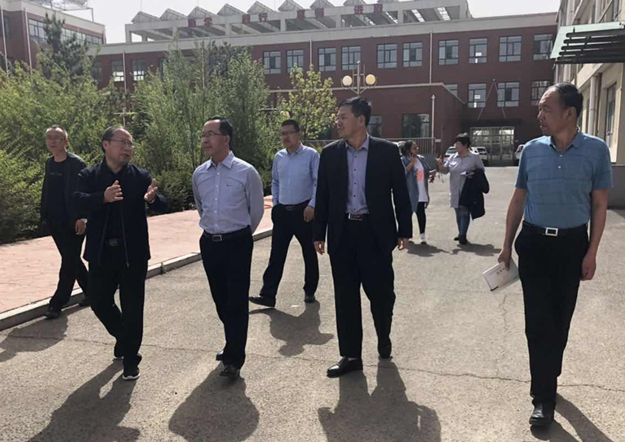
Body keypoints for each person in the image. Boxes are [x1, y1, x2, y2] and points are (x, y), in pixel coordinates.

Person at [498, 83, 612, 427]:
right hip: (534, 244)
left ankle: (550, 370)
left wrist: (592, 252)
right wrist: (506, 244)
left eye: (546, 109)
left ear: (570, 113)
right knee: (537, 323)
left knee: (560, 320)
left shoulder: (596, 150)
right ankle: (543, 398)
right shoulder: (531, 151)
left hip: (571, 246)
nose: (540, 115)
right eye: (540, 109)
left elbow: (599, 204)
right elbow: (518, 198)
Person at [314, 97, 412, 378]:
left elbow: (400, 193)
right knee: (345, 297)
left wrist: (404, 229)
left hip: (375, 233)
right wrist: (319, 232)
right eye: (338, 117)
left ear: (360, 120)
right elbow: (323, 195)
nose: (338, 121)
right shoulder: (330, 153)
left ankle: (383, 336)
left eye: (343, 116)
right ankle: (351, 355)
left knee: (382, 295)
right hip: (342, 233)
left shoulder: (386, 151)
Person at [74, 126, 167, 381]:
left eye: (130, 144)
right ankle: (125, 339)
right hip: (101, 253)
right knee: (99, 302)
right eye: (122, 142)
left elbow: (163, 203)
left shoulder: (140, 176)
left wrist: (153, 199)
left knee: (133, 307)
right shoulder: (89, 175)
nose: (127, 148)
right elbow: (77, 200)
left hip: (132, 254)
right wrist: (102, 198)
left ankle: (130, 359)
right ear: (106, 144)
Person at [192, 116, 265, 381]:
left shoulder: (246, 172)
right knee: (220, 299)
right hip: (210, 243)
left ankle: (234, 358)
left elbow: (256, 211)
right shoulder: (199, 174)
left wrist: (240, 235)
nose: (205, 140)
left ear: (226, 138)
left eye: (210, 134)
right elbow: (201, 206)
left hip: (237, 243)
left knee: (236, 300)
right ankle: (232, 340)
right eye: (203, 135)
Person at [250, 119, 320, 308]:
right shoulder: (279, 157)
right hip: (283, 212)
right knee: (276, 255)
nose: (285, 137)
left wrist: (312, 205)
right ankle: (268, 295)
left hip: (304, 212)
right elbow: (275, 182)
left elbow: (318, 182)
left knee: (309, 253)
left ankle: (310, 290)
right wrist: (276, 204)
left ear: (298, 134)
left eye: (289, 133)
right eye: (282, 134)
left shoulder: (311, 155)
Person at [40, 125, 90, 319]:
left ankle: (57, 303)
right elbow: (47, 190)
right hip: (55, 221)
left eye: (57, 138)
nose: (53, 141)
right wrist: (44, 214)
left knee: (68, 261)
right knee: (72, 259)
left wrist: (83, 218)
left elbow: (85, 192)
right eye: (49, 137)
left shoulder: (77, 164)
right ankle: (92, 292)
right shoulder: (49, 163)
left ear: (66, 142)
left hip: (74, 221)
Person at [436, 134, 484, 245]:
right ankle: (460, 232)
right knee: (458, 212)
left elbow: (481, 171)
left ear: (465, 145)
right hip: (455, 189)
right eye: (455, 144)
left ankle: (463, 235)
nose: (455, 146)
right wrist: (440, 165)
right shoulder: (452, 157)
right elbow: (445, 171)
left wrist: (472, 174)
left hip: (468, 190)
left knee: (464, 212)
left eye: (458, 144)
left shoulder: (474, 157)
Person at [399, 140, 435, 245]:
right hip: (410, 191)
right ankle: (408, 235)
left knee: (421, 213)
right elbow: (403, 173)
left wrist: (432, 173)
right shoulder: (403, 160)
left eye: (417, 148)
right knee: (408, 215)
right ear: (408, 150)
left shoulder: (421, 159)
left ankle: (422, 236)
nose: (417, 150)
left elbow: (423, 173)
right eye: (414, 148)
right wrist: (412, 162)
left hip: (421, 189)